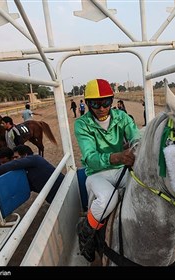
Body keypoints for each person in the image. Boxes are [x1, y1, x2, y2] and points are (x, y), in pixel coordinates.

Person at [74, 78, 140, 262]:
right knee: (108, 201)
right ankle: (85, 231)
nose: (102, 108)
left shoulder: (122, 117)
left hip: (121, 169)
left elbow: (136, 137)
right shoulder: (81, 124)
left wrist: (135, 147)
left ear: (112, 101)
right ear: (87, 104)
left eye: (106, 102)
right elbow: (90, 158)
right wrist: (117, 156)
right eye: (96, 103)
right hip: (96, 174)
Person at [0, 145, 64, 204]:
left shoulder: (34, 159)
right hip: (55, 196)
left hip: (60, 193)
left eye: (16, 157)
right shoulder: (30, 166)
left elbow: (12, 165)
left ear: (25, 155)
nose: (14, 160)